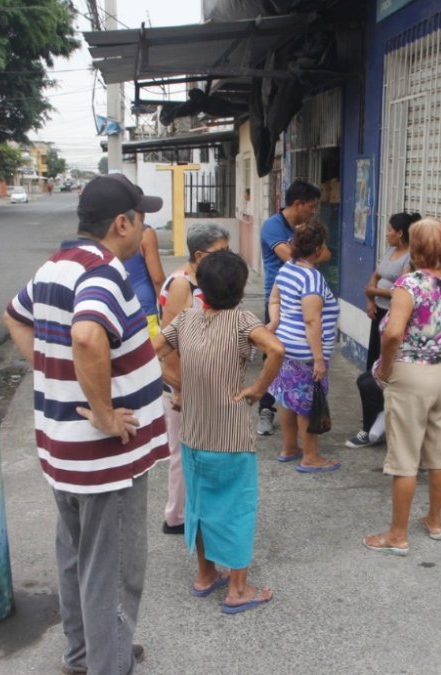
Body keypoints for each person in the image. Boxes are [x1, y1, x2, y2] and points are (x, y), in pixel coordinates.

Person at [2, 173, 169, 674]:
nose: (144, 231)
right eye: (141, 219)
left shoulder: (56, 266)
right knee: (113, 572)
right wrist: (100, 409)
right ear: (122, 223)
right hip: (105, 458)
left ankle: (85, 654)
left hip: (63, 449)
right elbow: (87, 337)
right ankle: (109, 663)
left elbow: (16, 316)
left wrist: (53, 372)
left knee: (77, 558)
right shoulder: (103, 271)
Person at [155, 250, 284, 615]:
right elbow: (276, 349)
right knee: (236, 509)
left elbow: (152, 352)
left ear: (203, 289)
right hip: (231, 438)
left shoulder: (185, 320)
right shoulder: (244, 320)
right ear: (241, 288)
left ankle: (205, 575)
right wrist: (257, 389)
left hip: (194, 434)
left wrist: (177, 387)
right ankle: (239, 590)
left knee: (198, 507)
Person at [364, 217, 441, 555]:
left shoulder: (408, 285)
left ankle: (397, 535)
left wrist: (386, 368)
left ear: (415, 250)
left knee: (405, 454)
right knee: (440, 449)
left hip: (409, 373)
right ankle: (434, 521)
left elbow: (392, 334)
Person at [157, 223, 231, 536]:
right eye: (221, 253)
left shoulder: (200, 281)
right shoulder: (181, 285)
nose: (227, 259)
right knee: (183, 453)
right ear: (199, 255)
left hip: (197, 382)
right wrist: (180, 388)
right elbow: (169, 343)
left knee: (197, 450)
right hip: (182, 385)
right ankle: (177, 518)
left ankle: (190, 513)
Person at [266, 222, 342, 471]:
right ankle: (310, 457)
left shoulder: (288, 267)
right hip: (307, 352)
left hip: (285, 345)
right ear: (318, 249)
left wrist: (275, 321)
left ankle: (289, 448)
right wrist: (318, 359)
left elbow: (274, 298)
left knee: (288, 398)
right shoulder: (312, 278)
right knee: (308, 403)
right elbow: (312, 320)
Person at [347, 211, 418, 448]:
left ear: (400, 233)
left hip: (393, 317)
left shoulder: (410, 258)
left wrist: (374, 292)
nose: (386, 233)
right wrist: (370, 299)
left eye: (390, 230)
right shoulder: (390, 251)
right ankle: (373, 413)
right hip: (378, 314)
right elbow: (375, 277)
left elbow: (401, 290)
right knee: (372, 367)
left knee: (383, 370)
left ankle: (379, 421)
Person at [256, 180, 321, 436]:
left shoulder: (305, 228)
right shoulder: (273, 227)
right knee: (273, 355)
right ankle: (265, 408)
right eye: (311, 207)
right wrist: (308, 247)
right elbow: (293, 258)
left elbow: (322, 254)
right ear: (298, 204)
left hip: (304, 298)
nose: (313, 212)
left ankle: (292, 411)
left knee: (297, 360)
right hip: (278, 301)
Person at [124, 218, 166, 335]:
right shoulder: (145, 233)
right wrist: (166, 309)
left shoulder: (106, 232)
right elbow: (157, 278)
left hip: (115, 311)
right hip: (143, 310)